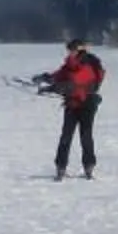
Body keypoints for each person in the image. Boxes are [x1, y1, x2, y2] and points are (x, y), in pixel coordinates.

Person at [34, 40, 105, 180]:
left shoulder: (88, 65)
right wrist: (46, 78)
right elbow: (60, 75)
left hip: (87, 104)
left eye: (72, 50)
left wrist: (52, 88)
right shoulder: (69, 65)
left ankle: (88, 168)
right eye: (69, 50)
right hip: (72, 104)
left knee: (85, 136)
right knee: (65, 136)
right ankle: (60, 168)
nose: (70, 52)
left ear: (80, 50)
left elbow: (74, 84)